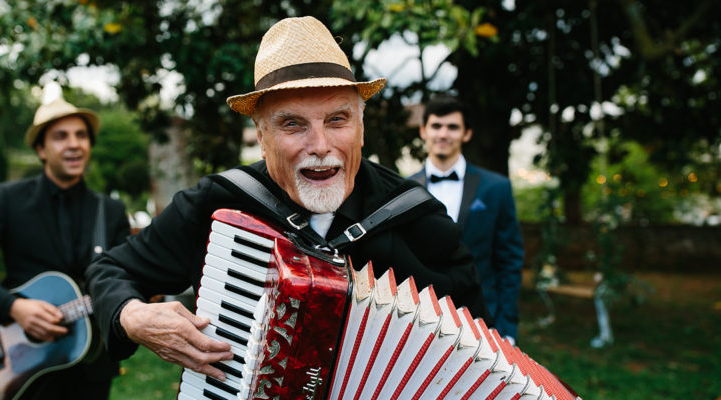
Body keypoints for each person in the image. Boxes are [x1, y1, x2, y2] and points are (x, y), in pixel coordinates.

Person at [85, 16, 490, 384]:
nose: (320, 145)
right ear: (261, 138)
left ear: (361, 128)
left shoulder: (417, 218)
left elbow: (476, 353)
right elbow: (110, 269)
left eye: (337, 119)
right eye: (293, 124)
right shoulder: (219, 204)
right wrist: (131, 315)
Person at [0, 97, 130, 399]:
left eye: (81, 135)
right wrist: (12, 307)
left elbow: (126, 277)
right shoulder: (9, 199)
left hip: (91, 366)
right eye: (61, 136)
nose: (74, 144)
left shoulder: (109, 210)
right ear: (41, 149)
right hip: (22, 364)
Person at [409, 95, 524, 342]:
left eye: (453, 127)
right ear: (423, 131)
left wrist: (507, 327)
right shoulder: (405, 191)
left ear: (467, 134)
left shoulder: (497, 188)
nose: (443, 134)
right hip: (422, 322)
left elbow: (510, 262)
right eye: (436, 126)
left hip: (485, 320)